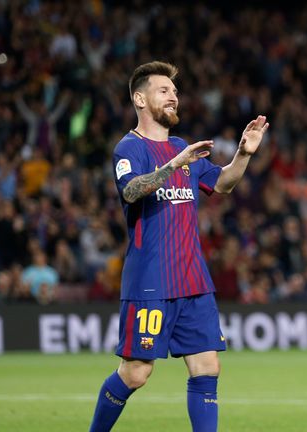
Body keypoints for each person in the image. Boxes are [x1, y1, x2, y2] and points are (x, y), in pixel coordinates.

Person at [89, 61, 268, 432]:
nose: (174, 96)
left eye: (175, 91)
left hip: (193, 280)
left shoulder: (181, 147)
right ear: (140, 99)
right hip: (150, 283)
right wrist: (174, 165)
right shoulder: (129, 148)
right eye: (164, 90)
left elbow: (222, 184)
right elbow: (131, 190)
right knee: (136, 373)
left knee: (207, 367)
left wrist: (244, 154)